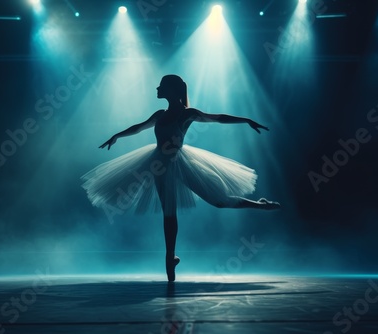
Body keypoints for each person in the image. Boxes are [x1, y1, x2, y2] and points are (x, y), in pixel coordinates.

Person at [81, 75, 280, 282]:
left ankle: (260, 205)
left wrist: (246, 120)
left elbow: (217, 118)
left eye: (161, 86)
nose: (157, 89)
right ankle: (170, 257)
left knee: (220, 202)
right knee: (169, 212)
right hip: (158, 163)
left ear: (172, 90)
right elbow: (139, 127)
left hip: (181, 162)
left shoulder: (188, 114)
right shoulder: (159, 114)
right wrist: (117, 135)